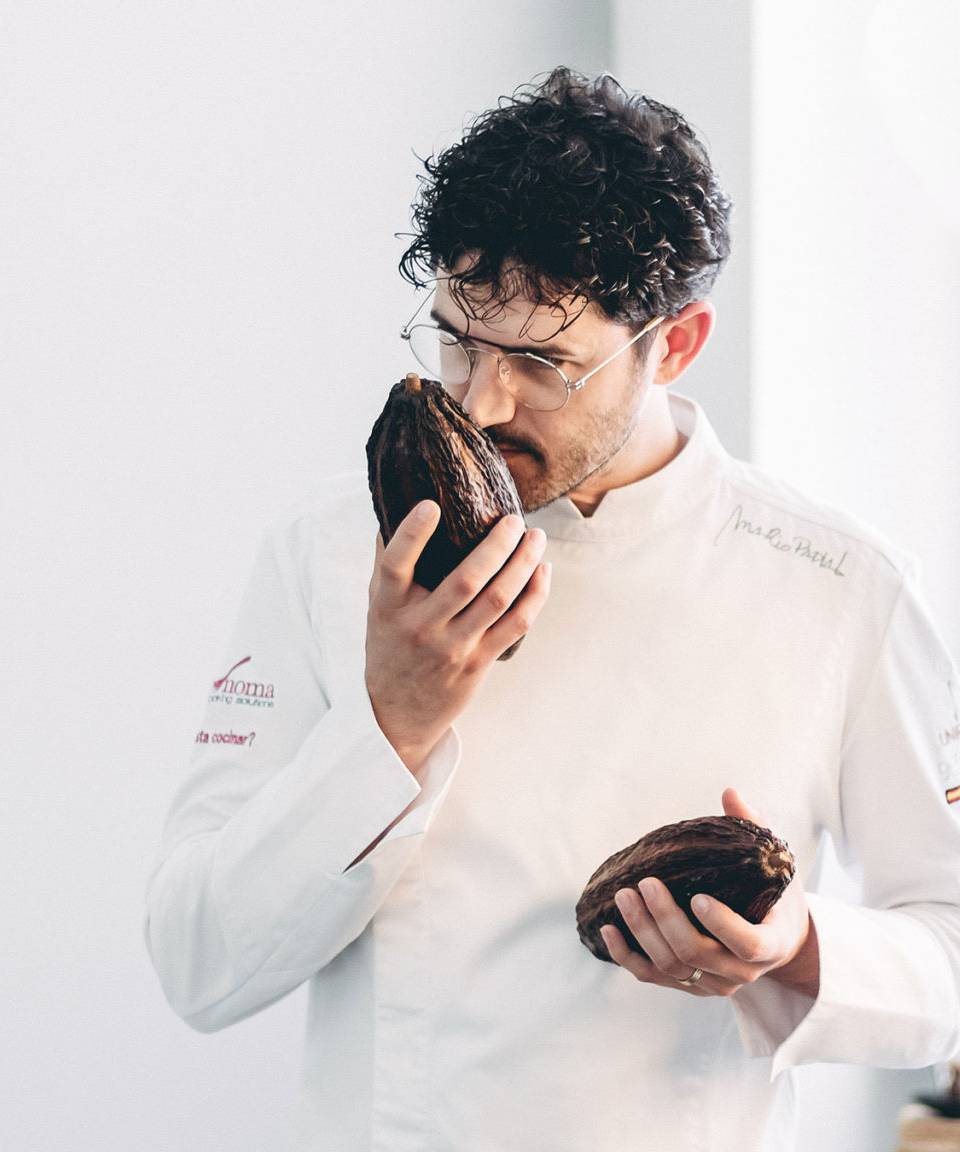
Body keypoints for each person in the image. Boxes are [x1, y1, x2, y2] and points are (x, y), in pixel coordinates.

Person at [143, 67, 960, 1151]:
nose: (481, 402)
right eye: (458, 340)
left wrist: (796, 948)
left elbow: (949, 954)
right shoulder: (325, 549)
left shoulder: (841, 583)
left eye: (540, 361)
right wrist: (392, 722)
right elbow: (198, 964)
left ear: (674, 344)